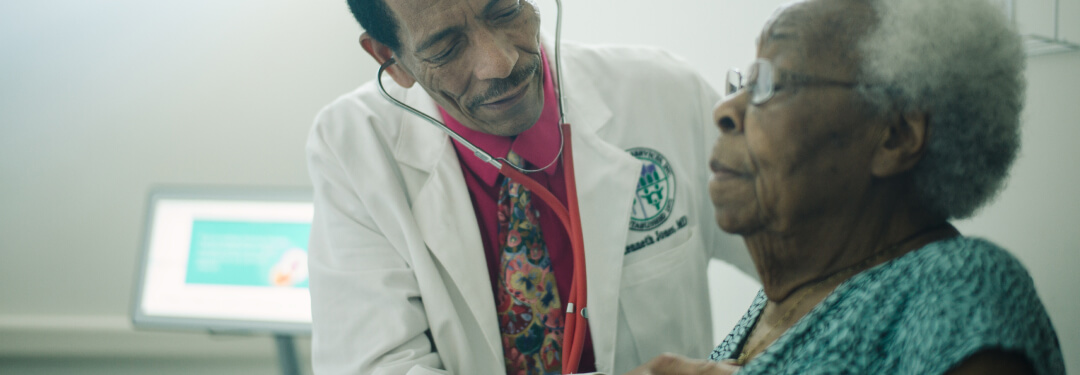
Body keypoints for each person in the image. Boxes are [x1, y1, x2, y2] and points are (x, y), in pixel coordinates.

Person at [304, 0, 754, 373]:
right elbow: (374, 365)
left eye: (505, 11)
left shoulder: (663, 92)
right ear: (390, 58)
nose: (500, 62)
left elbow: (796, 256)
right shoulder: (353, 146)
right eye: (445, 48)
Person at [625, 0, 1066, 374]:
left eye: (770, 84)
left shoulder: (962, 286)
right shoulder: (788, 300)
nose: (724, 110)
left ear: (895, 135)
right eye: (743, 83)